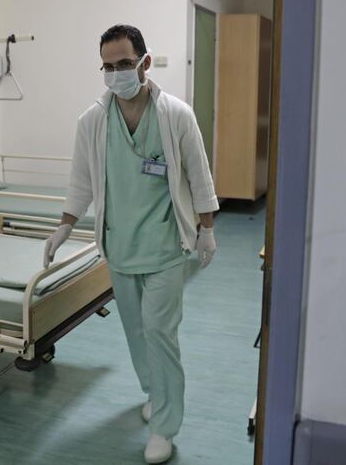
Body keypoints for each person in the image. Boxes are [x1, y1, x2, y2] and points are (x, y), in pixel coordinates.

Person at [43, 24, 218, 463]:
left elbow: (198, 174)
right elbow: (81, 181)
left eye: (124, 64)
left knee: (160, 334)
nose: (116, 73)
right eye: (107, 66)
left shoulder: (176, 115)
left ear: (145, 62)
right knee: (137, 334)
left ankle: (165, 424)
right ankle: (154, 394)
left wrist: (207, 227)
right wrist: (64, 225)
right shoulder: (93, 121)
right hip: (119, 249)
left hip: (164, 248)